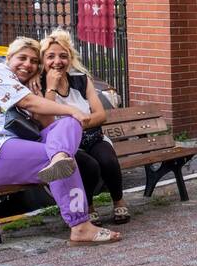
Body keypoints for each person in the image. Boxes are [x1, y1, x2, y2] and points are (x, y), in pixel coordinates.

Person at [0, 37, 120, 244]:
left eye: (34, 61)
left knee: (67, 127)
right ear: (8, 58)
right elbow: (28, 102)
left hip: (8, 149)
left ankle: (59, 157)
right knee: (61, 156)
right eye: (21, 58)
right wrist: (71, 109)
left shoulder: (23, 85)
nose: (27, 65)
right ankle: (80, 227)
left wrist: (44, 90)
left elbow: (48, 123)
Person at [35, 29, 129, 226]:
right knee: (89, 167)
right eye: (50, 56)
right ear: (42, 60)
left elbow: (101, 115)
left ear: (70, 58)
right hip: (65, 146)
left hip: (92, 137)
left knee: (108, 160)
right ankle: (89, 207)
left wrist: (76, 123)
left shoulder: (81, 79)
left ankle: (118, 200)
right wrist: (51, 87)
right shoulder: (39, 85)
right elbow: (48, 123)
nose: (57, 61)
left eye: (63, 56)